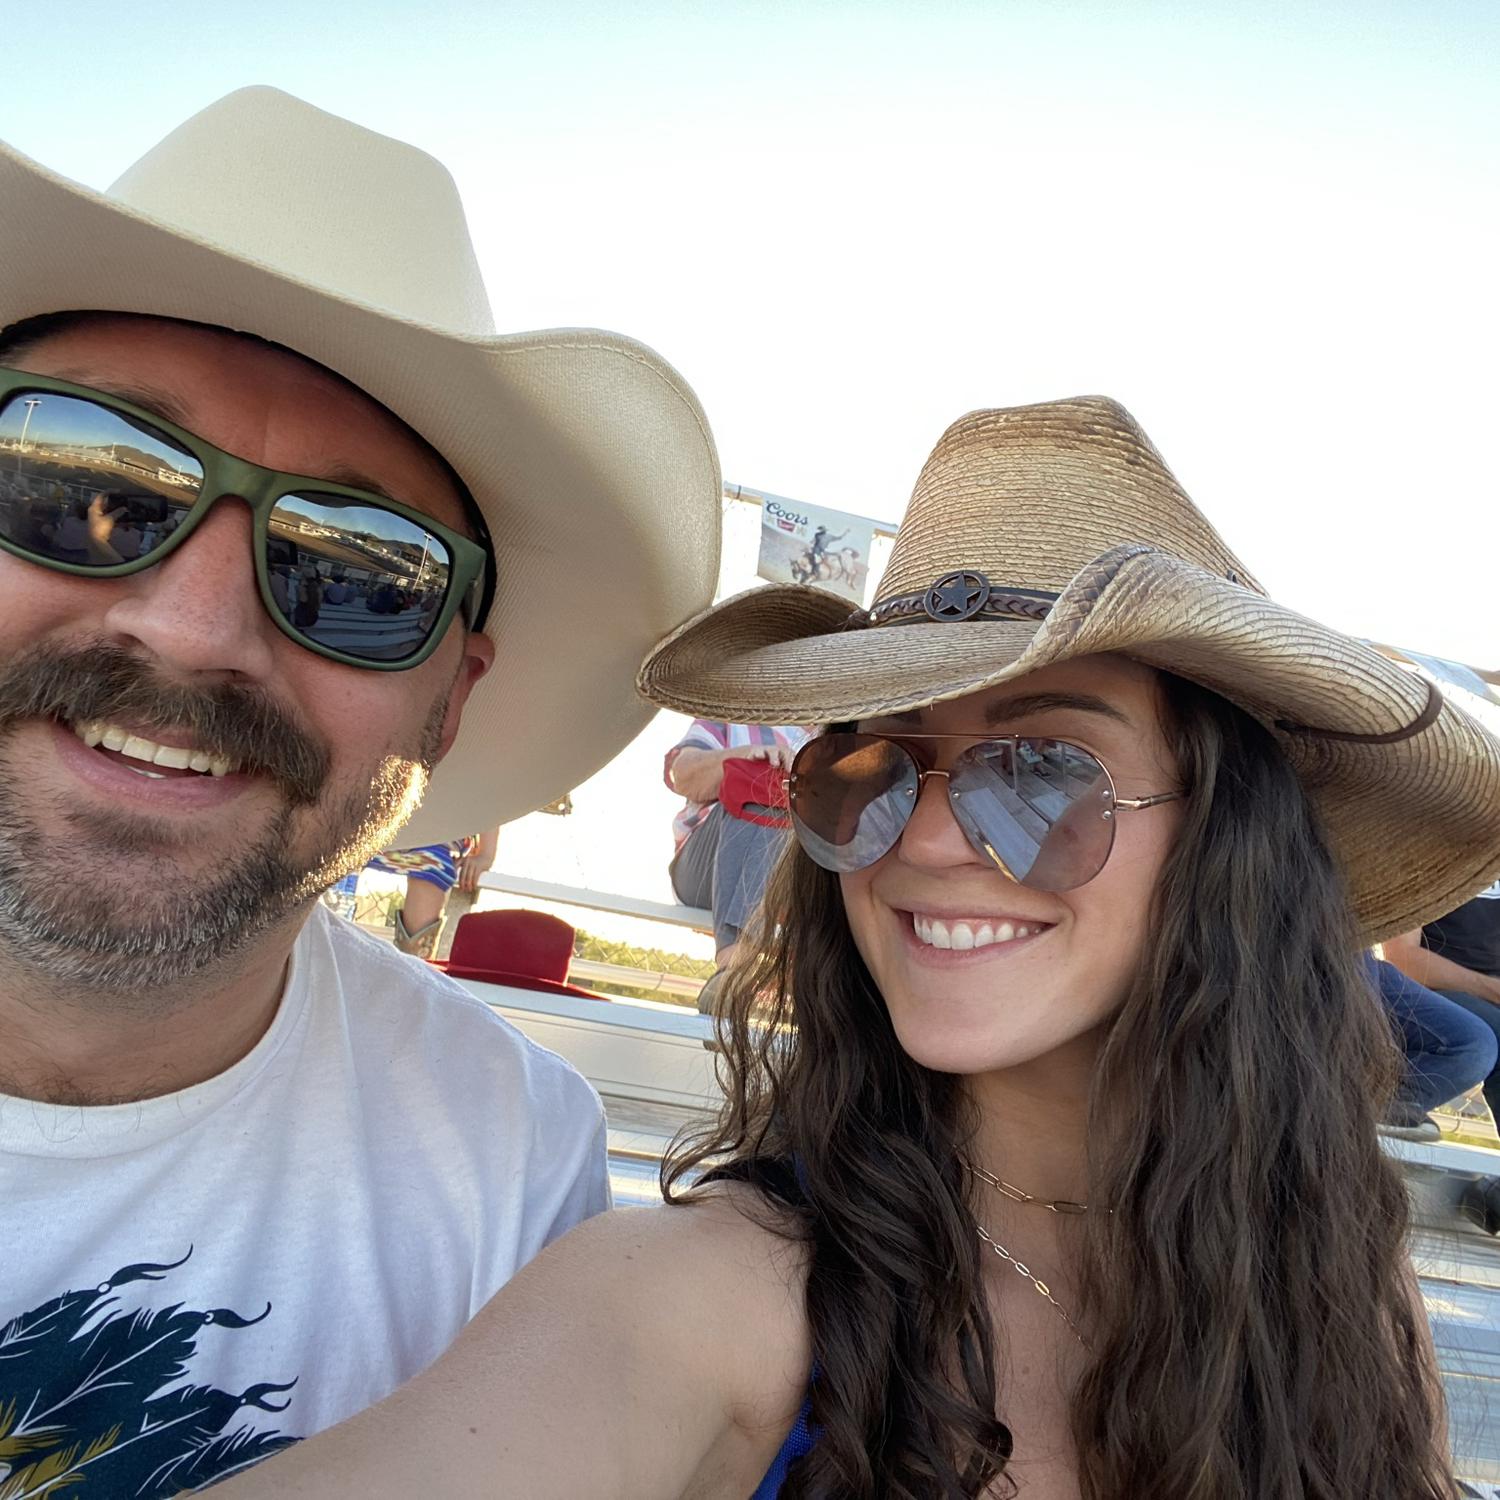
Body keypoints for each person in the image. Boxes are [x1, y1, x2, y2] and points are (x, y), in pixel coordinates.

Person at [217, 397, 1496, 1499]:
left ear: (1226, 837)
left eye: (1043, 769)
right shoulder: (704, 1303)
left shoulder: (1338, 1283)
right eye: (869, 765)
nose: (922, 842)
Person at [0, 83, 720, 1491]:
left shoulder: (508, 1161)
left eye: (357, 571)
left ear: (449, 704)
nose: (196, 628)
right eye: (87, 486)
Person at [666, 720, 808, 984]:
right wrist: (745, 755)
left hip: (798, 872)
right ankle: (734, 969)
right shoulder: (734, 717)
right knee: (770, 775)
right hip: (706, 869)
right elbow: (682, 775)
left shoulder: (844, 737)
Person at [1384, 881, 1500, 1134]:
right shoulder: (1423, 866)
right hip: (1426, 991)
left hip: (1487, 995)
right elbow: (1403, 958)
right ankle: (1387, 1102)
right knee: (1489, 1036)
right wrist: (1491, 988)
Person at [1370, 955, 1498, 1141]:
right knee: (1475, 1046)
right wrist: (1491, 988)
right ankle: (1382, 1101)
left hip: (1371, 967)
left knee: (1478, 1043)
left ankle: (1392, 1099)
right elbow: (1404, 957)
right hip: (1433, 987)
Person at [365, 825, 501, 959]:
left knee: (431, 869)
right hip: (377, 824)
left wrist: (486, 854)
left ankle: (413, 961)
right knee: (356, 840)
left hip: (442, 831)